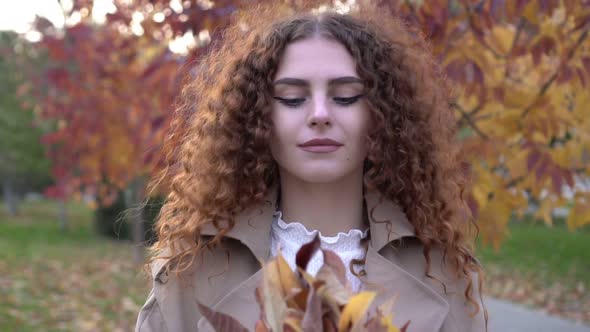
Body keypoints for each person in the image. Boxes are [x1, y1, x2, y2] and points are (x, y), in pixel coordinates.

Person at [135, 2, 488, 331]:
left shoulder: (443, 273)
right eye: (292, 98)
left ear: (383, 116)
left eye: (345, 96)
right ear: (256, 118)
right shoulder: (190, 272)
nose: (320, 114)